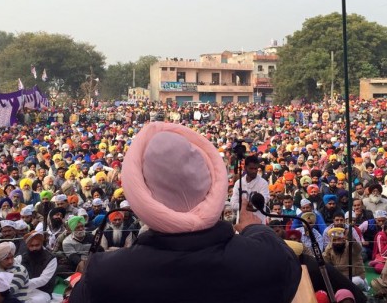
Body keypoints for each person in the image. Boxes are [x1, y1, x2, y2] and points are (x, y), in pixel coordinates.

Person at [69, 123, 301, 303]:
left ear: (140, 193)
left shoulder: (105, 274)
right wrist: (254, 226)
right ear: (213, 184)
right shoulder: (266, 260)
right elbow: (285, 264)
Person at [230, 155, 271, 223]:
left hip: (258, 222)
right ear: (245, 168)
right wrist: (246, 206)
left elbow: (264, 200)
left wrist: (253, 207)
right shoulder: (239, 183)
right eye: (251, 168)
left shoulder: (263, 183)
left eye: (255, 169)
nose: (254, 171)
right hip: (242, 222)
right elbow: (233, 204)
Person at [21, 231, 57, 303]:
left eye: (37, 245)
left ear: (41, 244)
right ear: (27, 246)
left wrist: (21, 284)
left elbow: (43, 280)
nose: (34, 248)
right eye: (31, 246)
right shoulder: (22, 257)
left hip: (43, 292)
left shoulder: (51, 259)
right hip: (24, 289)